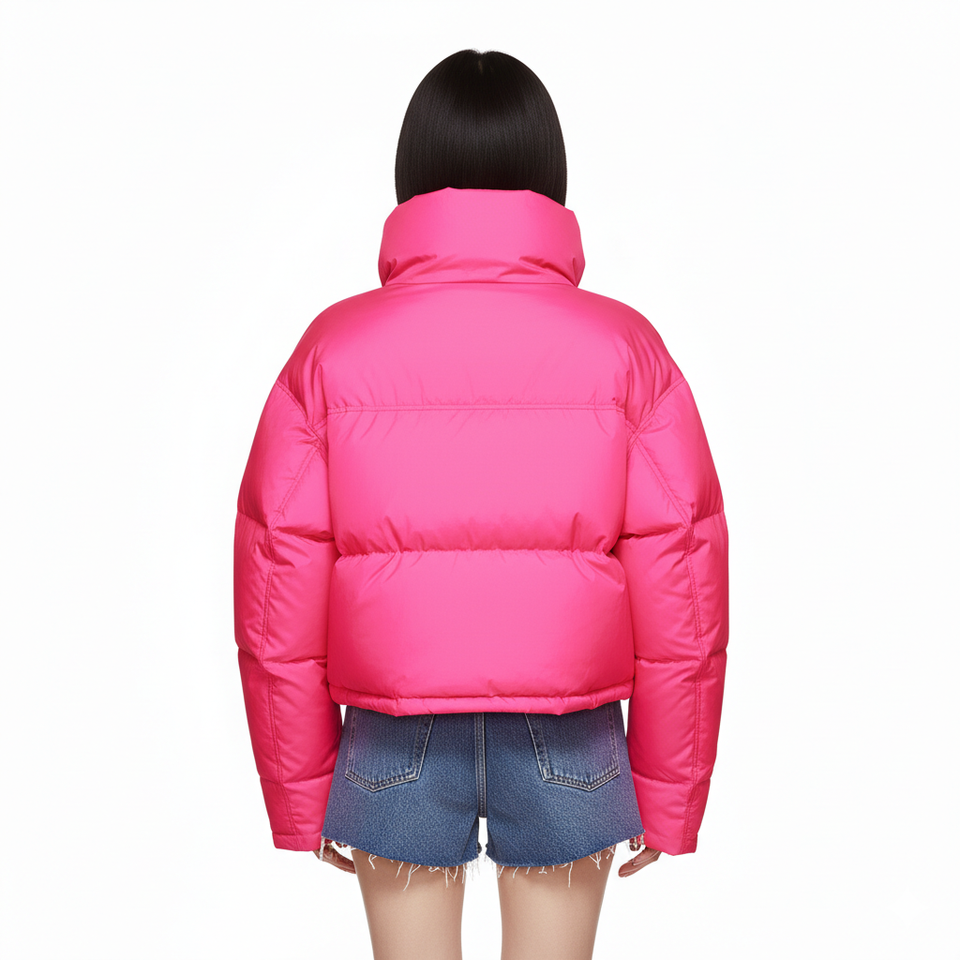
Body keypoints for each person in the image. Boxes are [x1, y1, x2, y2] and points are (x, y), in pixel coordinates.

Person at [233, 48, 729, 960]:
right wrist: (671, 790)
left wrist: (301, 787)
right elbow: (684, 589)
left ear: (412, 174)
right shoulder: (627, 349)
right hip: (570, 731)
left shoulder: (332, 350)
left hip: (392, 734)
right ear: (550, 175)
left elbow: (277, 586)